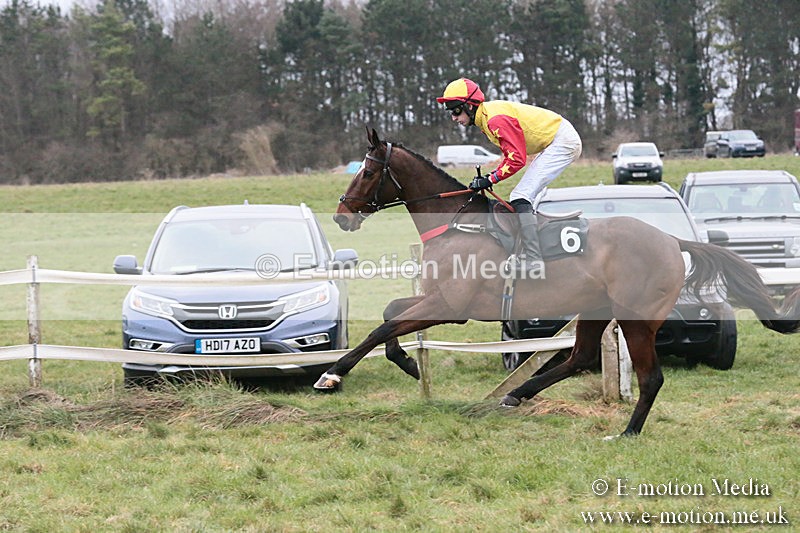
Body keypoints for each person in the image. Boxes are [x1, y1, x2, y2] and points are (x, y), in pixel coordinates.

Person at [437, 77, 582, 276]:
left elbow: (517, 160)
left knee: (520, 196)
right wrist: (489, 176)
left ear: (469, 106)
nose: (454, 118)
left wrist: (490, 179)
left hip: (562, 142)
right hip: (555, 141)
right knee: (523, 196)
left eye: (455, 111)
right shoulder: (486, 119)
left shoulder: (494, 120)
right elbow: (510, 156)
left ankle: (533, 259)